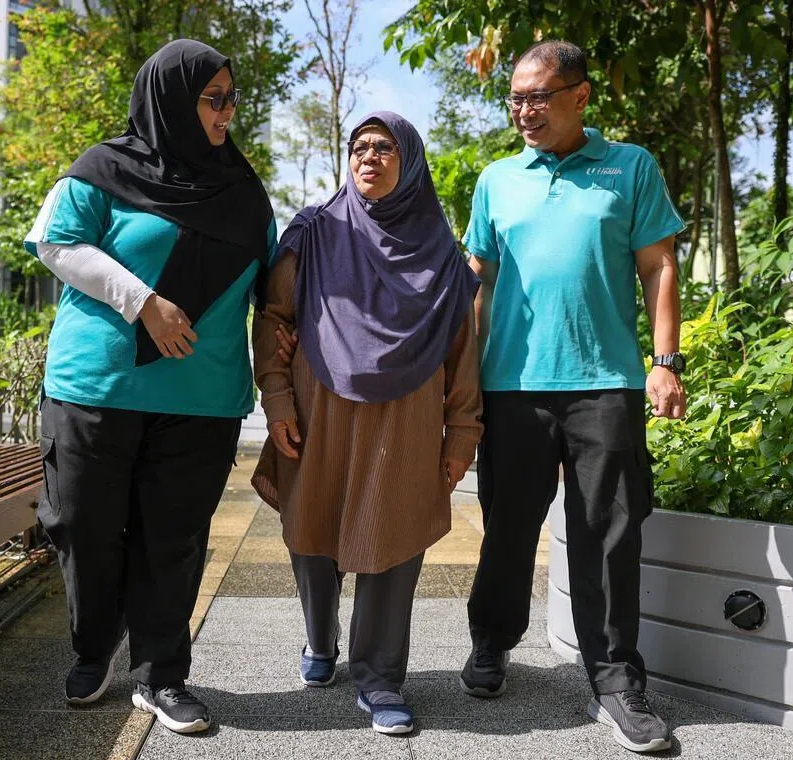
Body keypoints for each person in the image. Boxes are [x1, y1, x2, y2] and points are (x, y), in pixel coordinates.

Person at [23, 39, 276, 735]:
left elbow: (274, 294)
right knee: (83, 525)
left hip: (201, 400)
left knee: (174, 540)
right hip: (95, 388)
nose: (227, 112)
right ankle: (94, 645)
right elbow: (56, 244)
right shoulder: (101, 170)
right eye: (213, 99)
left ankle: (163, 675)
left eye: (232, 98)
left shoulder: (245, 194)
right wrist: (143, 303)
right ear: (170, 99)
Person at [457, 41, 687, 754]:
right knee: (506, 527)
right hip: (512, 387)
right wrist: (464, 378)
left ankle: (616, 682)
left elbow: (659, 265)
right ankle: (492, 641)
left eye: (538, 97)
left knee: (609, 535)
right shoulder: (497, 179)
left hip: (605, 384)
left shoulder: (630, 167)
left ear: (580, 96)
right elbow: (478, 280)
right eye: (515, 99)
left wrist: (666, 362)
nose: (524, 111)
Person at [251, 111, 482, 736]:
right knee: (312, 528)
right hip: (317, 408)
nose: (368, 157)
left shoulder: (442, 254)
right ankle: (319, 637)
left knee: (392, 539)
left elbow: (463, 350)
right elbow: (274, 318)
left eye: (384, 148)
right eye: (359, 147)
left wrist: (462, 433)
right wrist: (277, 400)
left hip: (407, 418)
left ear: (410, 162)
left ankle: (379, 678)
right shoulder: (314, 231)